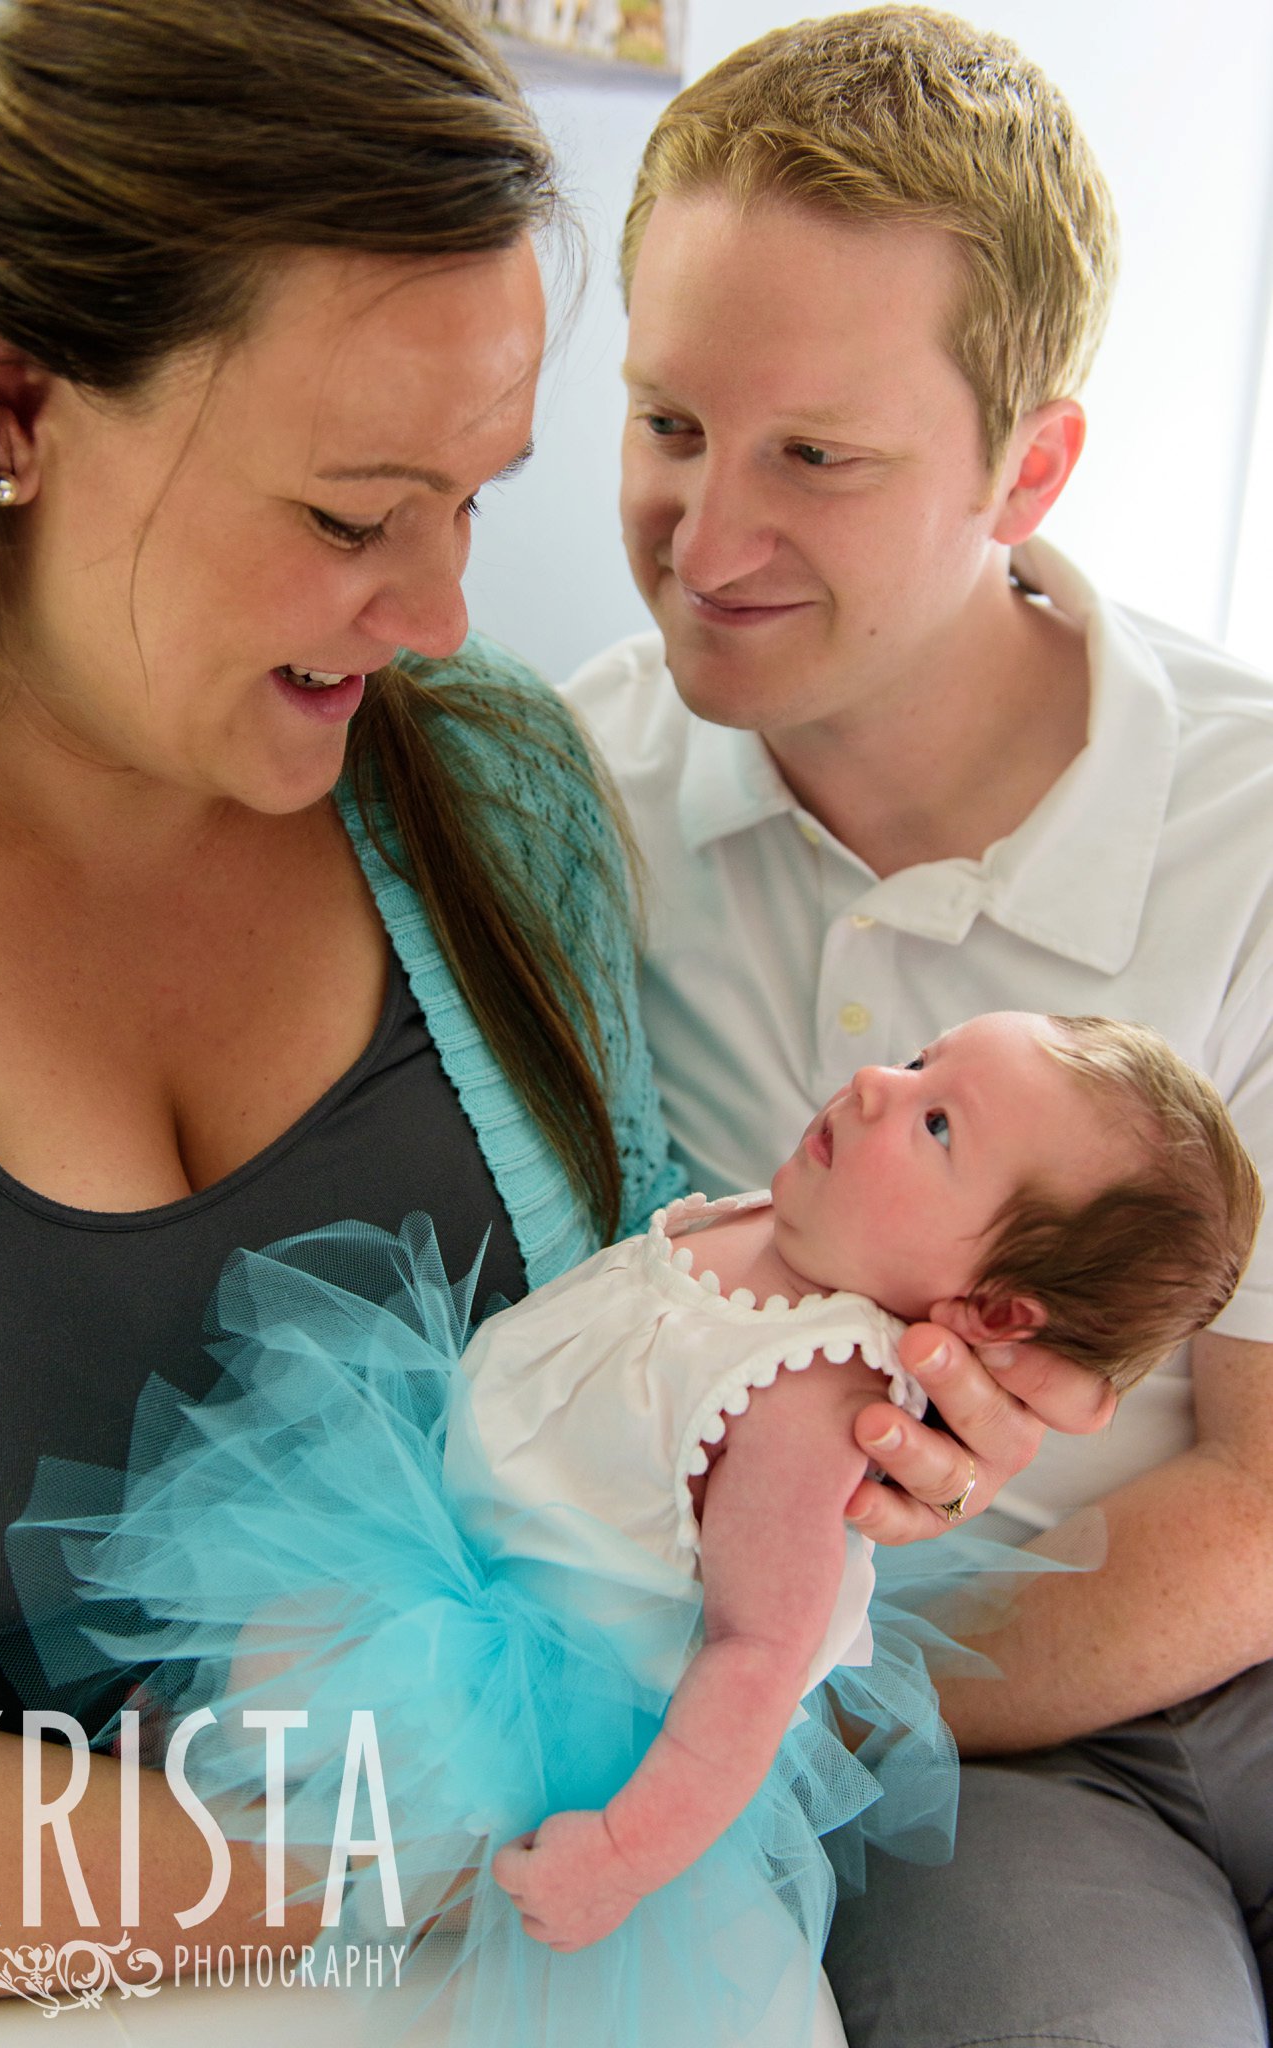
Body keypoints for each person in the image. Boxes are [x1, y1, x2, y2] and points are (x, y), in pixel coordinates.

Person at [0, 0, 698, 2007]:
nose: (439, 614)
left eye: (474, 498)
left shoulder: (491, 788)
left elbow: (644, 1356)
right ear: (20, 407)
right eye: (348, 516)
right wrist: (370, 1872)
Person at [564, 10, 1273, 2046]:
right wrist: (780, 1665)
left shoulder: (1241, 828)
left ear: (1027, 464)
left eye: (816, 455)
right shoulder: (575, 803)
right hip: (967, 1753)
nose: (702, 543)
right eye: (667, 422)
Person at [3, 1011, 1260, 2048]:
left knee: (357, 1821)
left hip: (541, 1672)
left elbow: (755, 1656)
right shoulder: (758, 1228)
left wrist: (624, 1848)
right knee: (274, 1665)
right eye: (922, 1056)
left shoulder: (814, 1397)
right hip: (446, 1539)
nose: (879, 1083)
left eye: (936, 1124)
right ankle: (188, 1756)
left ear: (987, 1307)